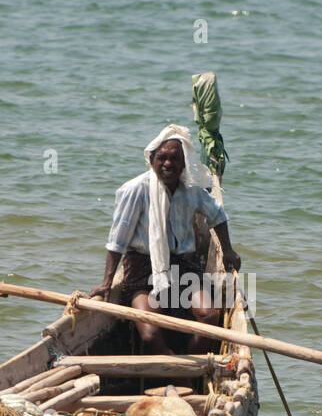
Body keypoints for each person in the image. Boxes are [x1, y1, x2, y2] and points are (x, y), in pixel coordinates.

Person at [91, 124, 240, 354]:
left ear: (183, 163)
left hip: (182, 268)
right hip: (142, 271)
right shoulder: (136, 189)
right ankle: (182, 377)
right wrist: (107, 282)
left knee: (210, 317)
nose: (168, 164)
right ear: (152, 160)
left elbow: (218, 215)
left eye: (174, 159)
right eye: (162, 158)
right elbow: (117, 241)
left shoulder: (191, 190)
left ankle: (190, 364)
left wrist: (228, 250)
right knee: (150, 334)